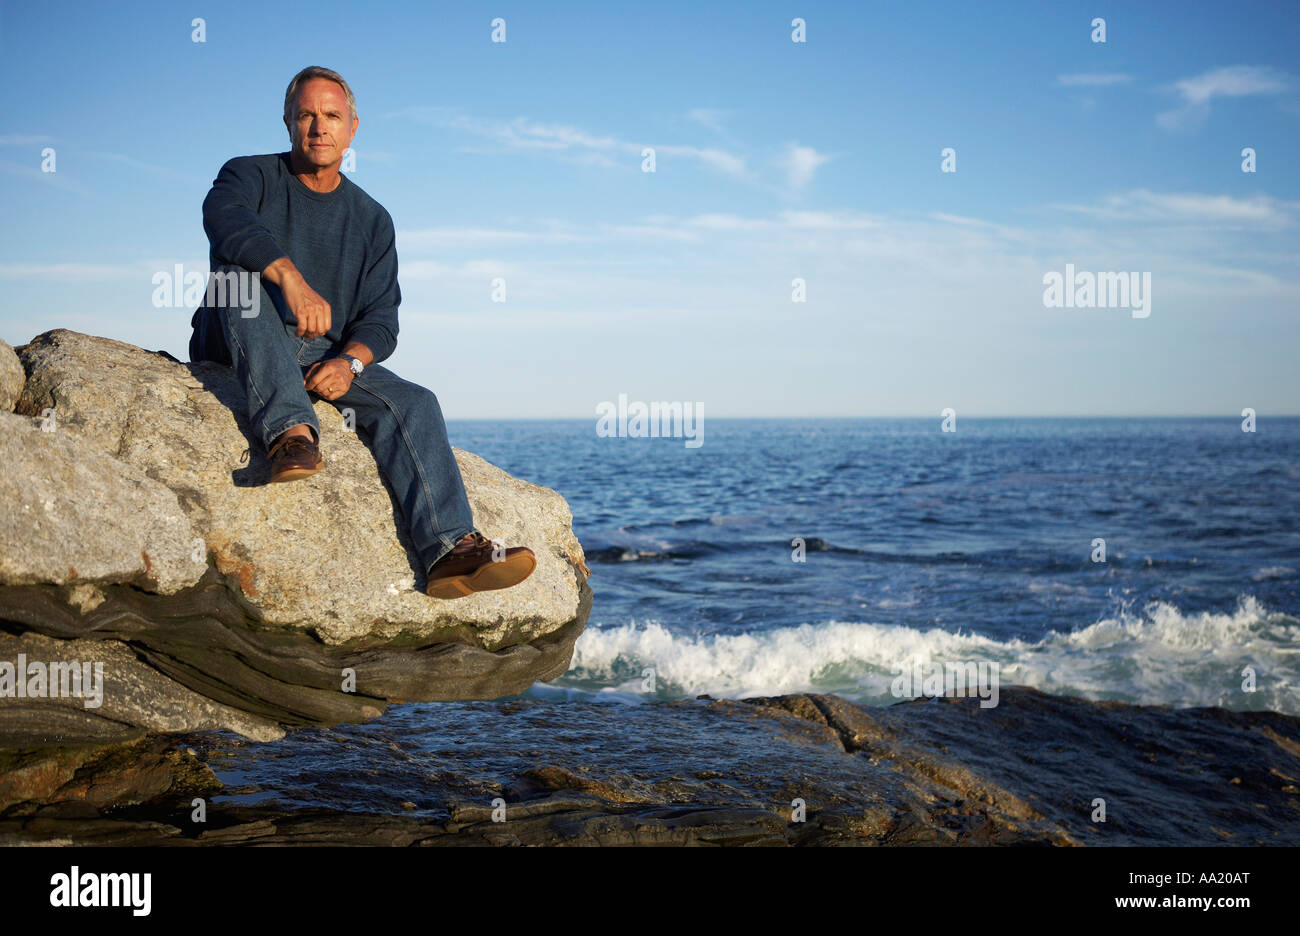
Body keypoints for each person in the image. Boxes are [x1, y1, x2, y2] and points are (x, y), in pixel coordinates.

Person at [188, 65, 535, 600]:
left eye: (331, 116)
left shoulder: (373, 219)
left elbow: (382, 318)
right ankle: (292, 436)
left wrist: (347, 362)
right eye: (306, 115)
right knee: (236, 278)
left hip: (317, 352)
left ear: (353, 127)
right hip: (236, 336)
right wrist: (288, 276)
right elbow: (223, 218)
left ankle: (449, 550)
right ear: (287, 122)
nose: (318, 128)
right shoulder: (248, 175)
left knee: (416, 401)